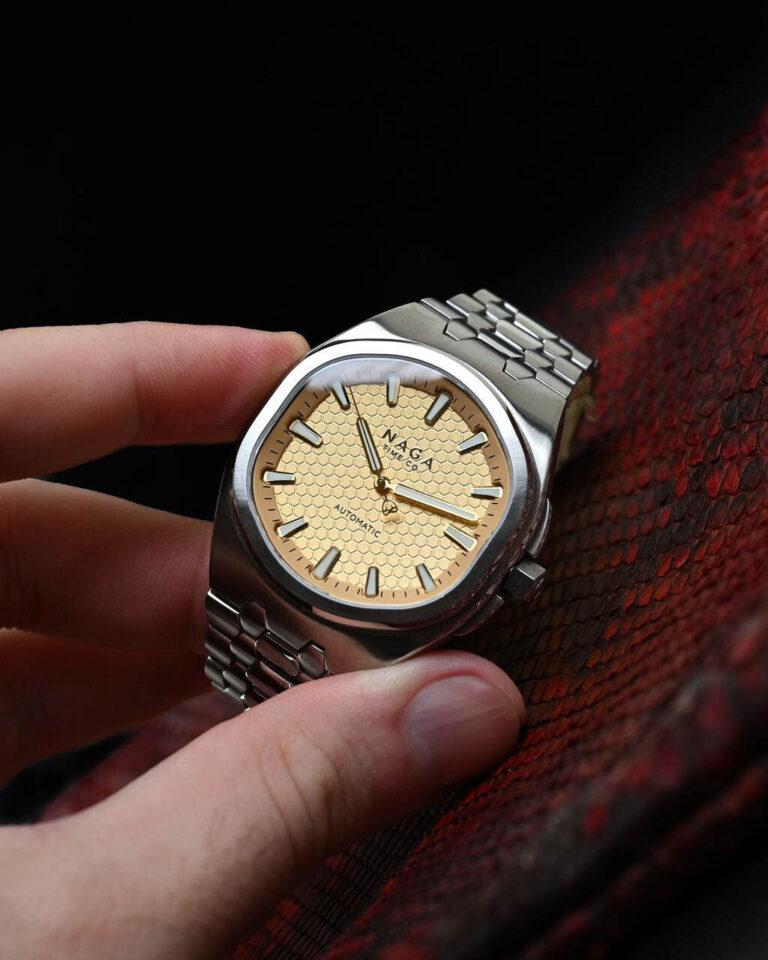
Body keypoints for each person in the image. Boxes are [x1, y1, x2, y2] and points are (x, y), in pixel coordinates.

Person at [0, 322, 525, 959]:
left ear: (513, 569)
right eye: (380, 481)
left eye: (385, 487)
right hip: (269, 561)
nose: (383, 489)